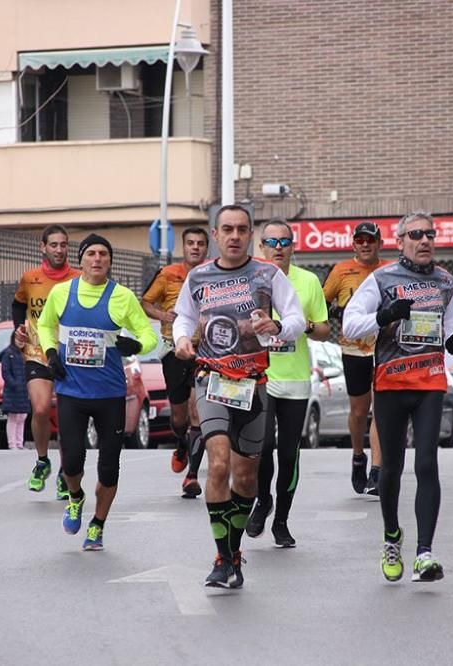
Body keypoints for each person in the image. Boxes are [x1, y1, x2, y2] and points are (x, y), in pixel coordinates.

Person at [172, 205, 304, 588]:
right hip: (211, 379)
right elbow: (183, 315)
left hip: (252, 385)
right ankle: (221, 556)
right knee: (217, 465)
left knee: (246, 478)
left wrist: (276, 325)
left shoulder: (268, 274)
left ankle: (234, 550)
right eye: (227, 229)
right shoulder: (198, 276)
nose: (234, 236)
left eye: (242, 230)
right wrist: (182, 339)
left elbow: (295, 319)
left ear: (250, 236)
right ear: (216, 234)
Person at [343, 211, 453, 583]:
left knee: (427, 463)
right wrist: (383, 317)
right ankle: (392, 537)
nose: (425, 240)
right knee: (392, 470)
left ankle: (425, 553)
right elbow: (350, 324)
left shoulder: (447, 281)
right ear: (400, 242)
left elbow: (448, 327)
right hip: (391, 384)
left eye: (430, 234)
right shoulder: (381, 279)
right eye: (416, 234)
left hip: (430, 383)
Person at [37, 233, 158, 550]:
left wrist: (137, 345)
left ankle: (98, 525)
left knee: (108, 466)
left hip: (110, 394)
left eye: (104, 253)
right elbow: (45, 325)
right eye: (91, 253)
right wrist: (51, 353)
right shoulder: (62, 293)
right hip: (71, 390)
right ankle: (75, 498)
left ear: (110, 261)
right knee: (73, 461)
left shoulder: (123, 297)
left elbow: (149, 336)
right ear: (81, 260)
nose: (97, 258)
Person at [246, 219, 330, 547]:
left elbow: (324, 330)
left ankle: (281, 520)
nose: (278, 248)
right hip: (262, 378)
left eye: (285, 242)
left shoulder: (308, 282)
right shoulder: (250, 280)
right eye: (272, 242)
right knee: (263, 446)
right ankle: (262, 500)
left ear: (293, 247)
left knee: (289, 454)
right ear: (262, 247)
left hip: (295, 378)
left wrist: (303, 325)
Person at [140, 226, 210, 498]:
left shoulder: (213, 273)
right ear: (184, 247)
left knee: (197, 411)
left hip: (204, 350)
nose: (195, 247)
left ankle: (191, 476)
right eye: (190, 243)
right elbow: (145, 302)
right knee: (179, 416)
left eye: (200, 244)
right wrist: (162, 316)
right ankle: (182, 443)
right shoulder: (168, 274)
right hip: (173, 350)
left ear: (206, 248)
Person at [322, 221, 390, 495]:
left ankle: (377, 469)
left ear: (379, 243)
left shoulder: (389, 270)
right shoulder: (341, 271)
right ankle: (358, 456)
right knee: (359, 411)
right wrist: (336, 313)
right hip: (353, 349)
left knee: (380, 409)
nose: (365, 245)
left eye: (370, 240)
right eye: (360, 240)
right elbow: (321, 302)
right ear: (353, 244)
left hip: (383, 349)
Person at [12, 225, 80, 498]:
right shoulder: (30, 278)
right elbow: (19, 304)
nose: (59, 250)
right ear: (43, 247)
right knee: (40, 409)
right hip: (37, 351)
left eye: (64, 245)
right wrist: (18, 328)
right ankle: (42, 461)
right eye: (54, 245)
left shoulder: (79, 278)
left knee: (67, 418)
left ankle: (66, 471)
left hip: (71, 355)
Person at [0, 341, 30, 450]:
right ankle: (12, 444)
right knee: (13, 417)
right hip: (13, 390)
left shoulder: (26, 353)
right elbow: (5, 372)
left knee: (22, 416)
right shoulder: (8, 354)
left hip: (24, 390)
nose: (21, 342)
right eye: (19, 339)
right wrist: (14, 383)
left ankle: (19, 443)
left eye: (23, 340)